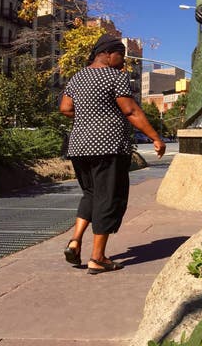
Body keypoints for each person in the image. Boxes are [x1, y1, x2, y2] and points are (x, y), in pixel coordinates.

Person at [59, 34, 165, 275]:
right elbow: (130, 110)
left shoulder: (77, 77)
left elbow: (65, 108)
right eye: (121, 56)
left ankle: (75, 241)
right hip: (107, 147)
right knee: (108, 198)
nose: (123, 61)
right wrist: (155, 137)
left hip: (79, 146)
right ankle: (97, 258)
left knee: (91, 194)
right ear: (107, 54)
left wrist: (90, 117)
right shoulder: (114, 76)